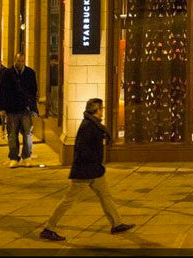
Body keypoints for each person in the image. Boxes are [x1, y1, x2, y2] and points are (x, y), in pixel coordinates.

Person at [39, 98, 134, 241]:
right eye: (101, 109)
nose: (103, 111)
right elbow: (83, 151)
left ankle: (117, 223)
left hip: (94, 170)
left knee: (105, 196)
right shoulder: (88, 126)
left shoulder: (93, 125)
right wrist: (94, 164)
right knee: (68, 201)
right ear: (96, 110)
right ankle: (48, 228)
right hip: (85, 172)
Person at [0, 53, 38, 168]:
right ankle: (13, 157)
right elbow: (2, 91)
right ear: (14, 60)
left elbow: (33, 91)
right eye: (18, 61)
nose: (20, 63)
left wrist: (33, 107)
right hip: (12, 109)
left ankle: (26, 156)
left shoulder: (30, 73)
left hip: (25, 108)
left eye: (22, 61)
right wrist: (2, 108)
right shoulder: (7, 73)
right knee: (12, 134)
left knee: (27, 134)